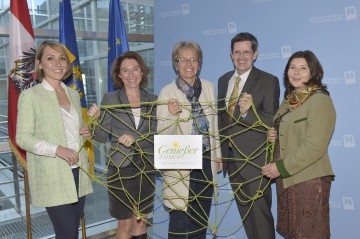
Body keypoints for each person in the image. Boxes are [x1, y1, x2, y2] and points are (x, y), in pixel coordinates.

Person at [16, 40, 93, 239]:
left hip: (79, 171)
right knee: (67, 233)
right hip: (54, 174)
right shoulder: (30, 96)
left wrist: (86, 133)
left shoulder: (73, 94)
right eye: (50, 58)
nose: (58, 64)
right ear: (40, 64)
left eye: (61, 59)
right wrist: (57, 149)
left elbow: (71, 131)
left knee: (71, 232)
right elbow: (23, 138)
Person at [262, 50, 336, 239]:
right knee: (293, 234)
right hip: (287, 181)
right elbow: (288, 133)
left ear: (313, 72)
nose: (296, 72)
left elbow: (314, 147)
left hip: (309, 181)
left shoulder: (320, 101)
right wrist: (274, 135)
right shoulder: (288, 101)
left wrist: (280, 168)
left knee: (311, 234)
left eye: (303, 68)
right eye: (292, 67)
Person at [87, 51, 157, 239]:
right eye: (125, 70)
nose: (131, 74)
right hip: (120, 169)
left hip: (146, 168)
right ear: (119, 75)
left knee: (141, 224)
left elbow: (157, 135)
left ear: (142, 72)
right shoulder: (110, 99)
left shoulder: (153, 100)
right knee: (125, 226)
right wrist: (96, 120)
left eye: (135, 69)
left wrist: (137, 140)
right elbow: (101, 137)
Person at [157, 41, 222, 239]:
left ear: (199, 63)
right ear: (176, 64)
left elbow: (214, 126)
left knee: (200, 222)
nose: (188, 63)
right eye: (183, 59)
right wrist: (171, 115)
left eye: (193, 59)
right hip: (180, 166)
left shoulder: (209, 87)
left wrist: (217, 156)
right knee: (179, 223)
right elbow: (161, 134)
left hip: (205, 161)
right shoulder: (167, 92)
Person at [217, 32, 280, 239]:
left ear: (255, 54)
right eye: (237, 52)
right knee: (247, 217)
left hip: (256, 162)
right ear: (230, 54)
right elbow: (222, 122)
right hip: (232, 160)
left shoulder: (268, 80)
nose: (241, 56)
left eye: (246, 52)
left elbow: (271, 120)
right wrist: (219, 153)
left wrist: (247, 112)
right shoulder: (223, 80)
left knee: (261, 219)